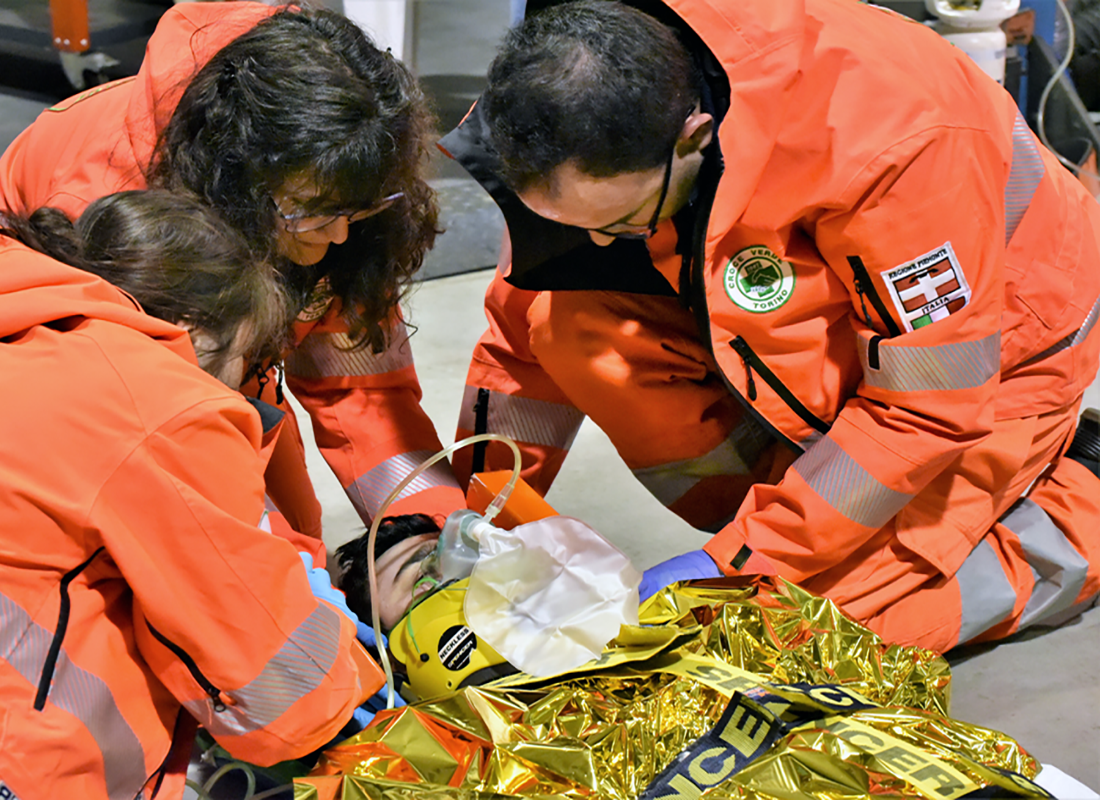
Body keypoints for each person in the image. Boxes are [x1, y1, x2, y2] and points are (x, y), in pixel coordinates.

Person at [439, 0, 1100, 653]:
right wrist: (472, 515)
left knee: (800, 639)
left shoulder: (891, 138)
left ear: (695, 137)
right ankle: (805, 517)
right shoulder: (573, 104)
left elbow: (924, 413)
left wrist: (740, 564)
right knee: (563, 319)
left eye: (622, 222)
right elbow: (519, 336)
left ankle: (1080, 500)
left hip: (1001, 348)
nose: (601, 244)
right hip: (832, 307)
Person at [0, 2, 467, 552]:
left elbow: (362, 393)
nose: (339, 237)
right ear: (236, 182)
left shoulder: (328, 167)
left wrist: (429, 530)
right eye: (316, 214)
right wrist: (300, 578)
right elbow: (179, 466)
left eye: (358, 212)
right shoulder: (113, 217)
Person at [0, 190, 386, 800]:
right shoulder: (150, 399)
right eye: (245, 360)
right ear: (190, 335)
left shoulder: (29, 313)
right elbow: (266, 673)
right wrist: (351, 694)